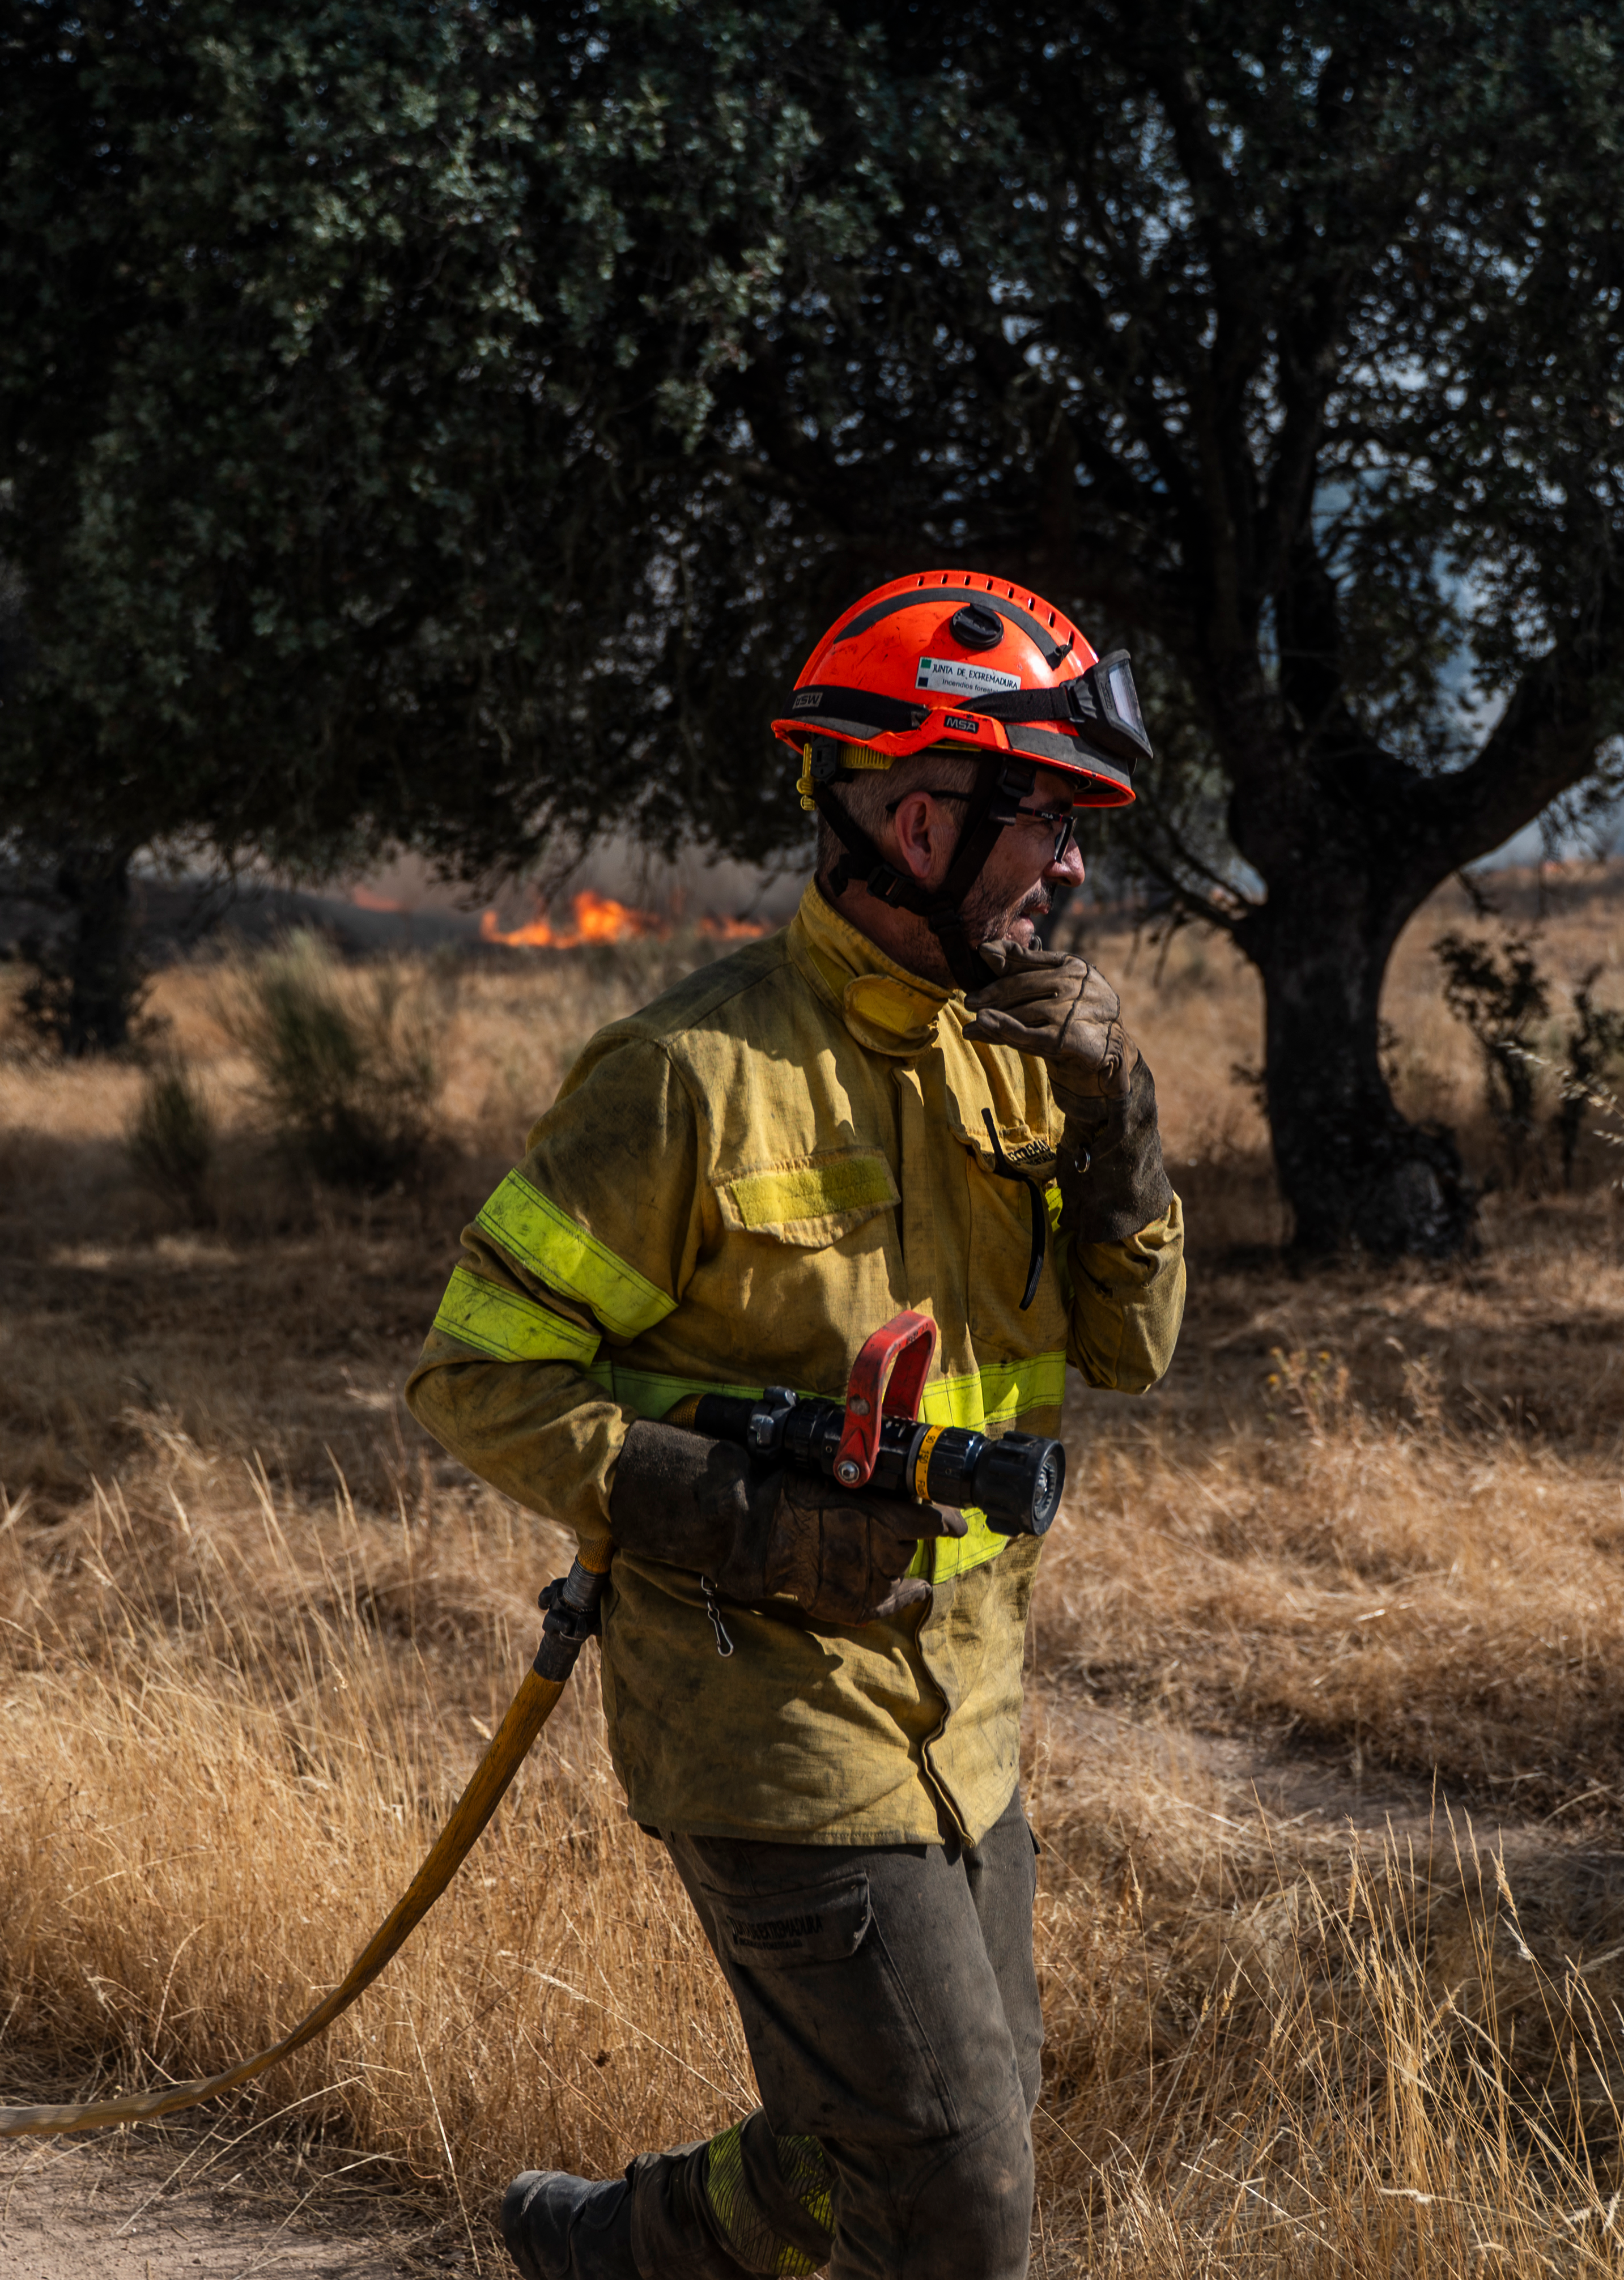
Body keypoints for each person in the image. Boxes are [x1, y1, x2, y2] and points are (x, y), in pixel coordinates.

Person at [405, 570, 1189, 2278]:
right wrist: (741, 1520)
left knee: (932, 2135)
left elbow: (1130, 1351)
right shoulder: (687, 1078)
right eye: (1046, 821)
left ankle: (631, 2249)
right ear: (920, 820)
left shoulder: (1017, 1064)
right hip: (768, 1724)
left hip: (968, 1714)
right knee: (965, 2197)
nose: (1073, 868)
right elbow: (475, 1375)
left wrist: (1122, 1130)